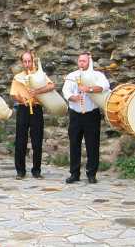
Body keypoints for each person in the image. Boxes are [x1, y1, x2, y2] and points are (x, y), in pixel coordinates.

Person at [62, 52, 110, 184]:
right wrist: (73, 97)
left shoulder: (97, 75)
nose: (81, 63)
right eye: (80, 61)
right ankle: (74, 173)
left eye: (84, 61)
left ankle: (91, 173)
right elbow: (66, 91)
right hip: (75, 114)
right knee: (74, 144)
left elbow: (105, 86)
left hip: (91, 114)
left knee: (92, 144)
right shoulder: (72, 76)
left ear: (89, 62)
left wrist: (88, 89)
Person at [12, 52, 55, 180]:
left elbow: (52, 86)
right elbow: (14, 94)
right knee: (20, 141)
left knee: (37, 141)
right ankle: (20, 171)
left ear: (33, 62)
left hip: (36, 109)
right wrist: (21, 100)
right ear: (22, 63)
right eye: (24, 62)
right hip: (23, 109)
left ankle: (36, 170)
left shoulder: (39, 75)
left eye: (29, 61)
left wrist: (37, 91)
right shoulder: (17, 77)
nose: (27, 64)